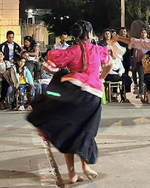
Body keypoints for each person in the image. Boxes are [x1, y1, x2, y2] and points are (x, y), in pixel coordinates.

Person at [28, 21, 111, 184]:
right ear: (89, 34)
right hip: (92, 97)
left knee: (68, 132)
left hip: (72, 94)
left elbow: (47, 67)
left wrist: (62, 72)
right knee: (86, 131)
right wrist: (100, 78)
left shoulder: (70, 51)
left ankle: (72, 175)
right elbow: (109, 65)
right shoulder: (97, 50)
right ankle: (86, 166)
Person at [131, 28, 150, 99]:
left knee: (147, 77)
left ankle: (148, 92)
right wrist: (135, 61)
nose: (143, 34)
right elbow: (134, 52)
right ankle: (140, 93)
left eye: (144, 32)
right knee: (141, 77)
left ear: (147, 34)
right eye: (142, 32)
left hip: (149, 63)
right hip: (140, 62)